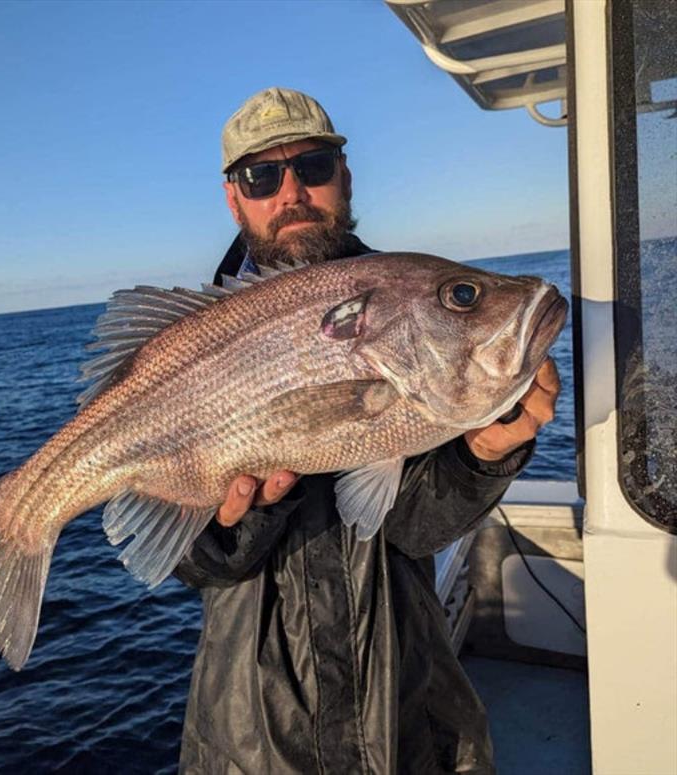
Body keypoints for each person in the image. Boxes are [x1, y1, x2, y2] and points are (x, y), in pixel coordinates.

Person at [174, 87, 560, 774]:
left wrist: (484, 454)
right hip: (252, 739)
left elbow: (412, 526)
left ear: (344, 178)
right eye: (263, 175)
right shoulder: (191, 347)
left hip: (405, 710)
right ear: (235, 200)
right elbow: (196, 564)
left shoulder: (407, 303)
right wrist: (236, 519)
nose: (292, 190)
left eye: (314, 165)